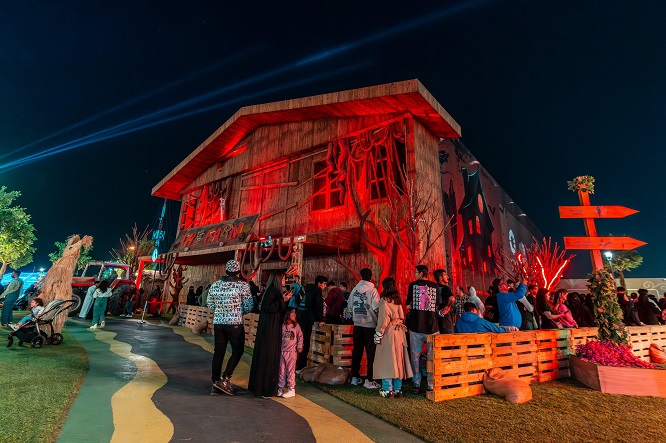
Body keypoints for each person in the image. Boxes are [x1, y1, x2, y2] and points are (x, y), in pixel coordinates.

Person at [208, 260, 253, 396]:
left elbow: (210, 304)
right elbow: (249, 305)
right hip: (235, 324)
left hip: (219, 323)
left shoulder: (215, 285)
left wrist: (221, 311)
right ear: (238, 272)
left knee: (218, 352)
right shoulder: (243, 286)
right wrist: (238, 312)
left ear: (226, 271)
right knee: (238, 351)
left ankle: (215, 383)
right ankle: (226, 377)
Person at [249, 271, 291, 398]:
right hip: (270, 329)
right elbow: (270, 307)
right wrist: (284, 300)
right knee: (269, 357)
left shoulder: (271, 291)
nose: (285, 281)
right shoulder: (273, 290)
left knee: (267, 356)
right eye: (283, 278)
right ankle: (266, 389)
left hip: (270, 327)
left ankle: (263, 387)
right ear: (278, 279)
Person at [373, 277, 413, 399]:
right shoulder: (397, 301)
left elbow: (383, 321)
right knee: (399, 361)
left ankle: (387, 389)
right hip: (400, 333)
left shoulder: (385, 301)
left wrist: (378, 334)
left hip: (389, 333)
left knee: (387, 361)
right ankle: (397, 389)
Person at [406, 264, 441, 394]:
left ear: (421, 273)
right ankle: (431, 384)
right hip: (432, 326)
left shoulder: (413, 286)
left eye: (415, 272)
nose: (414, 274)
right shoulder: (435, 286)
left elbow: (408, 305)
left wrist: (412, 307)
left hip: (416, 326)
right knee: (433, 356)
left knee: (415, 356)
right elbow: (437, 304)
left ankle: (416, 384)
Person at [349, 268, 381, 389]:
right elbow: (376, 307)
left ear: (360, 276)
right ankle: (369, 379)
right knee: (370, 353)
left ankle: (355, 377)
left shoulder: (354, 289)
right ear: (371, 277)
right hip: (370, 325)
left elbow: (349, 305)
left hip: (357, 324)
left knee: (357, 351)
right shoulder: (373, 291)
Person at [295, 275, 326, 371]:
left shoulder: (307, 289)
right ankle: (301, 366)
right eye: (324, 284)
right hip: (307, 317)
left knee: (299, 340)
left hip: (300, 315)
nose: (325, 286)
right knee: (305, 341)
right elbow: (318, 306)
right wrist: (321, 319)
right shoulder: (317, 290)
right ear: (319, 283)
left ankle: (296, 364)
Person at [277, 308, 303, 398]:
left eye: (295, 314)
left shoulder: (296, 326)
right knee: (281, 370)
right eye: (292, 313)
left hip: (291, 352)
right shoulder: (282, 326)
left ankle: (291, 388)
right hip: (282, 351)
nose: (294, 315)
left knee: (290, 371)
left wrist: (300, 346)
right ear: (287, 315)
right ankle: (280, 387)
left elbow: (300, 336)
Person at [454, 303, 520, 333]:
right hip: (482, 350)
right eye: (476, 310)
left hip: (464, 352)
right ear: (473, 310)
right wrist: (506, 329)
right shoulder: (479, 321)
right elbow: (497, 330)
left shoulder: (458, 322)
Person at [433, 269, 454, 333]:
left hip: (435, 321)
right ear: (440, 278)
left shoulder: (433, 288)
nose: (447, 277)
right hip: (445, 320)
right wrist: (448, 307)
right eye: (445, 275)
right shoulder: (446, 288)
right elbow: (452, 299)